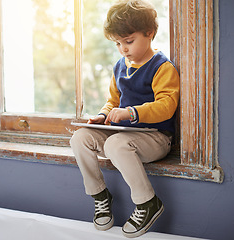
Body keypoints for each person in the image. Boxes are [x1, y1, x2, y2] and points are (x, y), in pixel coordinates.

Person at [70, 0, 180, 238]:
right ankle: (100, 195)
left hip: (155, 137)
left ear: (149, 33)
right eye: (118, 43)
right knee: (80, 138)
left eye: (128, 41)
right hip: (124, 134)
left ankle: (147, 202)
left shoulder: (163, 67)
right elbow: (113, 101)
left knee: (115, 144)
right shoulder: (120, 66)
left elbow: (166, 106)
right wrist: (102, 115)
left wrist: (131, 113)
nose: (123, 49)